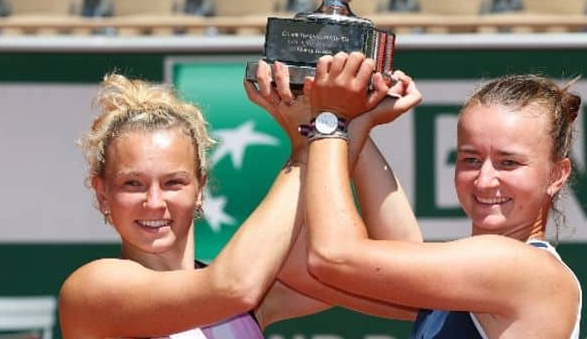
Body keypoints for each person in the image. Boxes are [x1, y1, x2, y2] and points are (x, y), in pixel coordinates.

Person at [58, 59, 423, 339]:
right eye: (133, 185)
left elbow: (402, 283)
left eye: (173, 183)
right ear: (101, 192)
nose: (154, 202)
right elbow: (232, 287)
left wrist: (352, 119)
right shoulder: (91, 290)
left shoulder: (258, 290)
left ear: (200, 188)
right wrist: (314, 139)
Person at [301, 52, 583, 339]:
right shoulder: (470, 280)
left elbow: (331, 256)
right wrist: (354, 120)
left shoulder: (521, 268)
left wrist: (329, 119)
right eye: (471, 159)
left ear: (557, 175)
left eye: (508, 163)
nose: (484, 181)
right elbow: (394, 250)